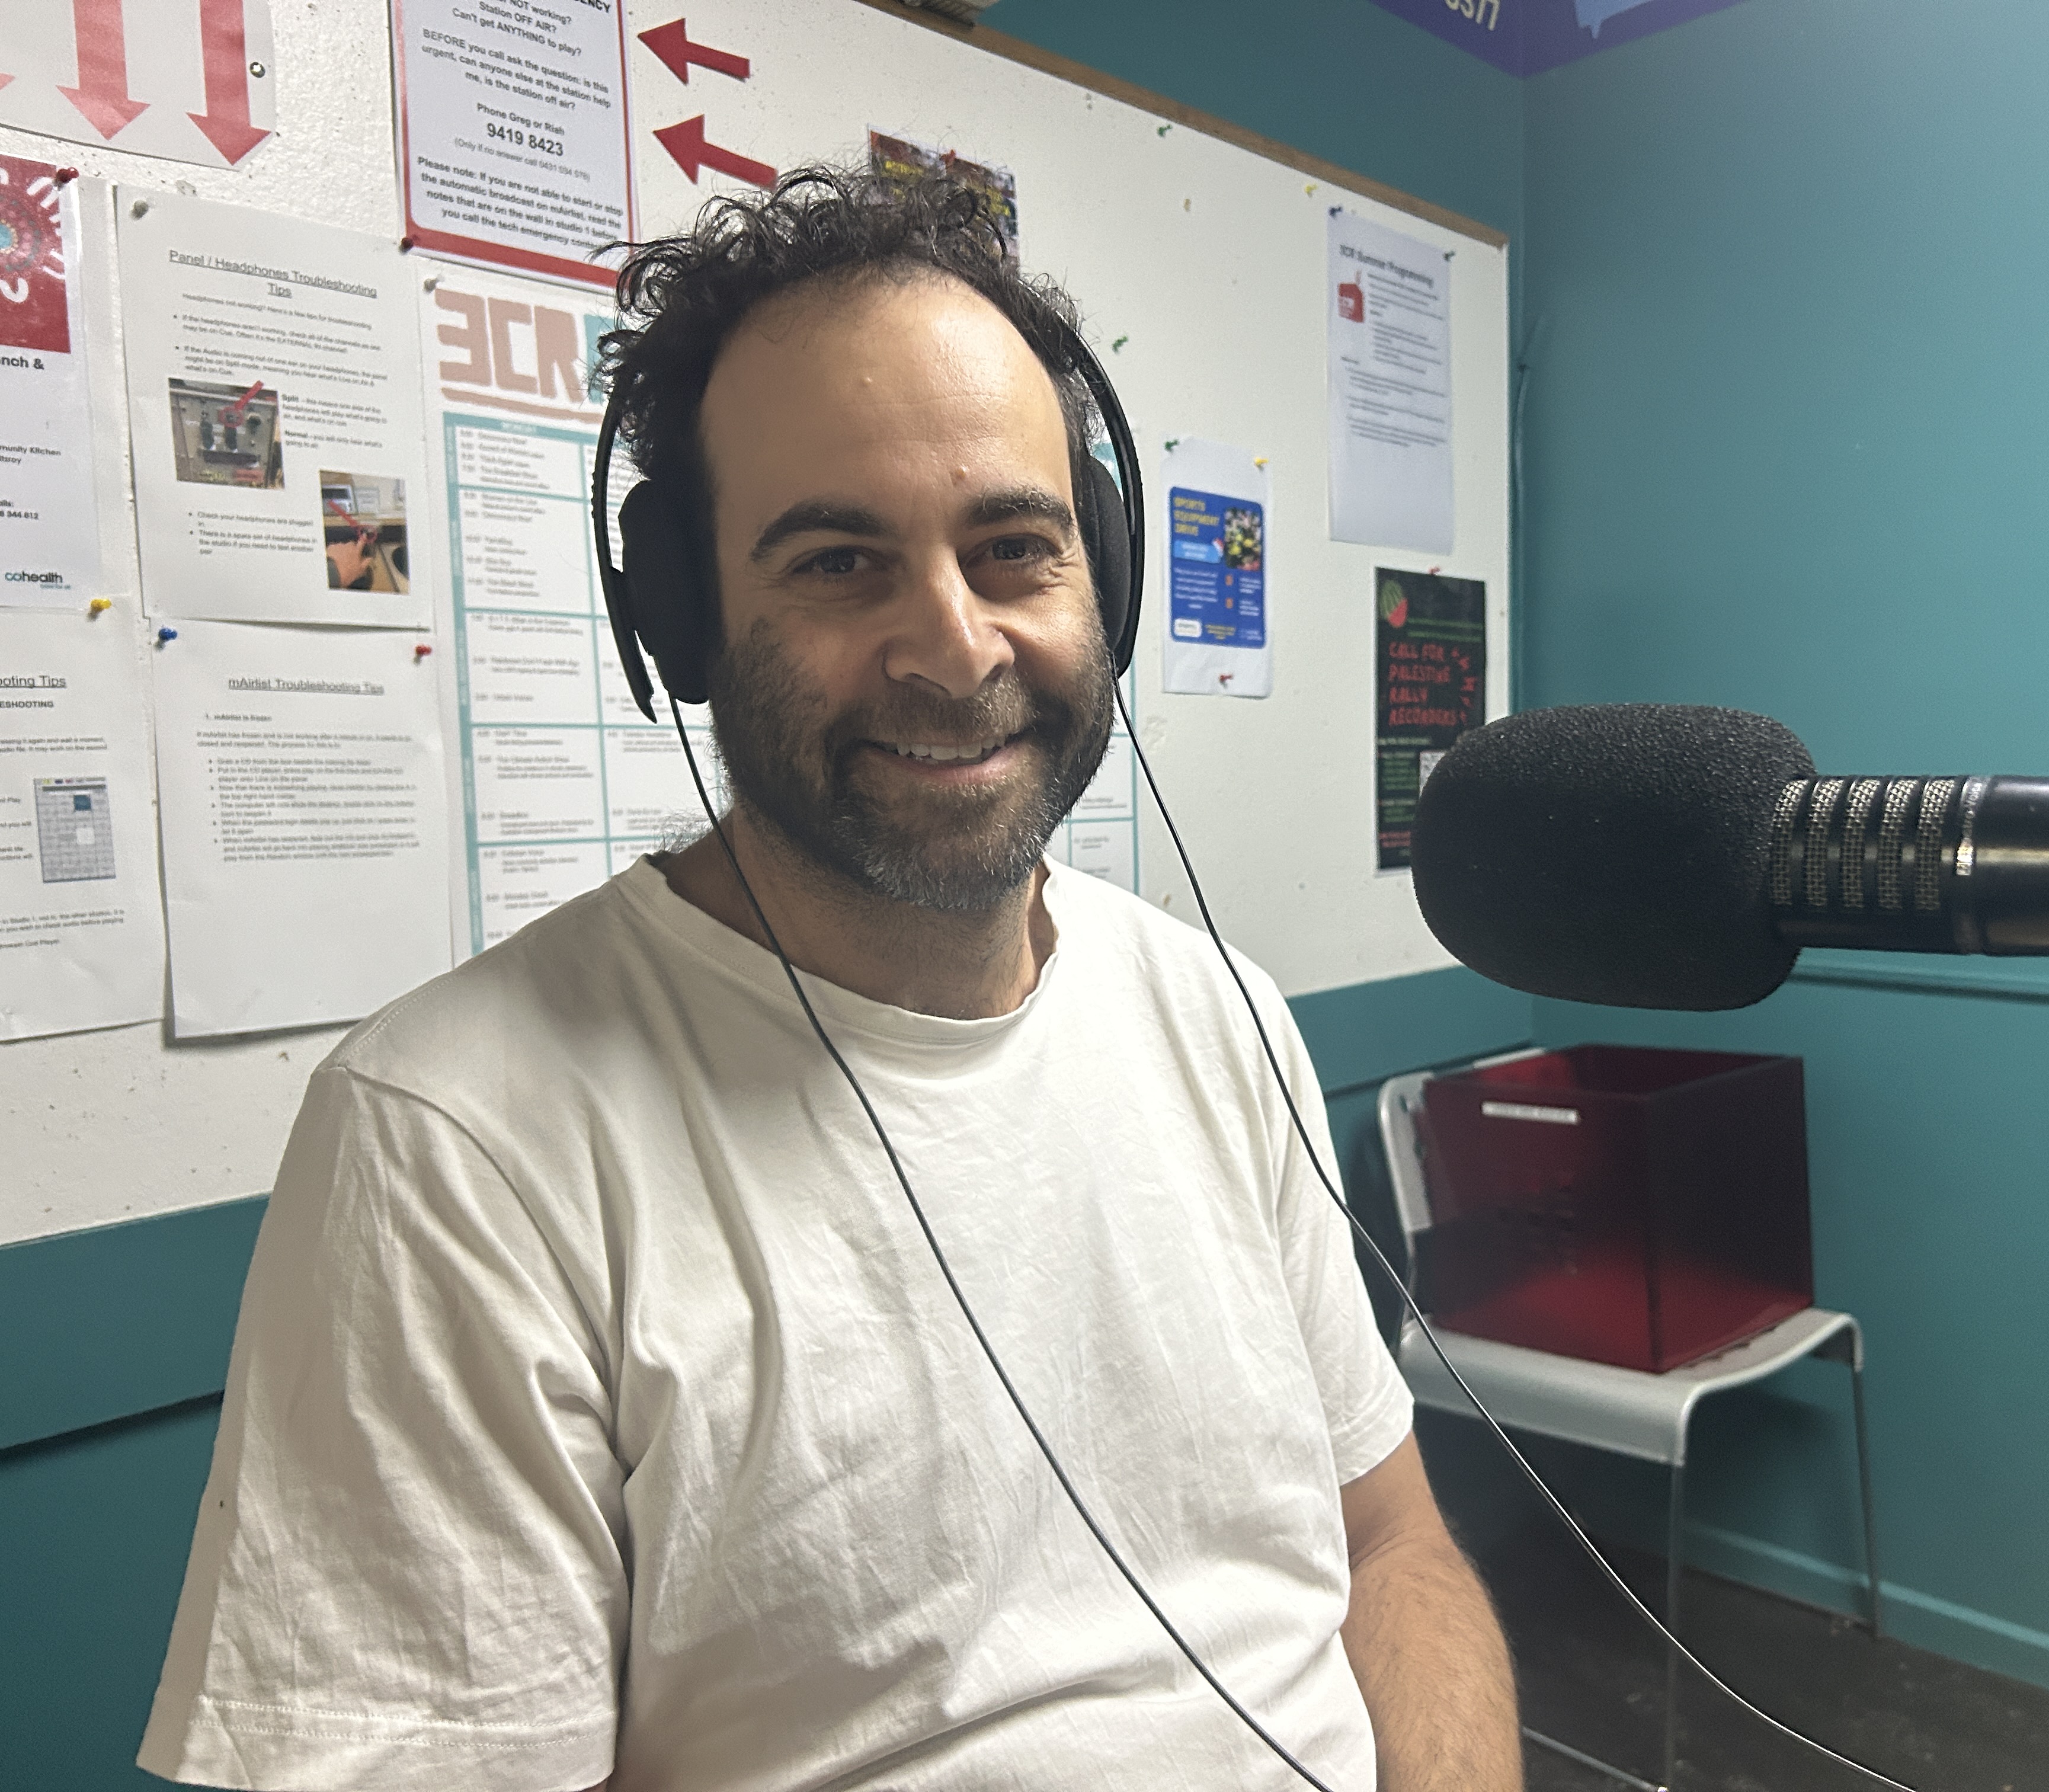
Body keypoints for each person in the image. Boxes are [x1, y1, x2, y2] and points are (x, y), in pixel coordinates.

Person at [139, 165, 1522, 1792]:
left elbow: (1388, 1551)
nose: (954, 647)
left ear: (1111, 581)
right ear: (683, 619)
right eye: (837, 564)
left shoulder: (1222, 1015)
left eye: (1014, 547)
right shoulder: (459, 1143)